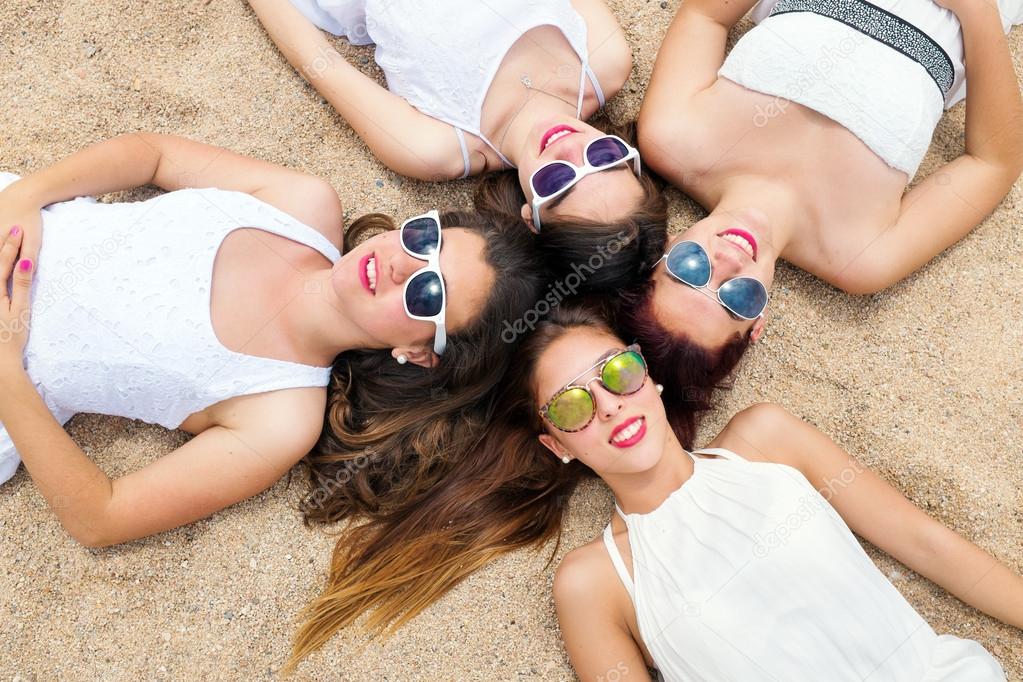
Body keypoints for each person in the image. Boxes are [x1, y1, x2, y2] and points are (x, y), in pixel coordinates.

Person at [280, 305, 1023, 678]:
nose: (606, 405)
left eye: (615, 374)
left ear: (648, 375)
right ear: (557, 445)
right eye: (571, 405)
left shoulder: (767, 442)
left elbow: (926, 543)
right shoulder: (594, 582)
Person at [0, 132, 545, 547]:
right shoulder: (301, 204)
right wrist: (27, 196)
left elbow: (102, 517)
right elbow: (154, 154)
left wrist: (7, 366)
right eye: (424, 239)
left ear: (420, 354)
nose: (402, 263)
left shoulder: (281, 417)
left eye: (429, 293)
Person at [621, 0, 1023, 432]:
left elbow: (706, 15)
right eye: (736, 299)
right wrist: (978, 13)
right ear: (758, 323)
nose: (729, 263)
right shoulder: (861, 256)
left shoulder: (671, 138)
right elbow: (993, 161)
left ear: (661, 255)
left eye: (691, 269)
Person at [247, 0, 667, 292]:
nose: (571, 151)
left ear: (531, 217)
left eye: (558, 181)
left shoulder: (435, 148)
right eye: (605, 159)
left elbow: (320, 62)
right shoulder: (604, 60)